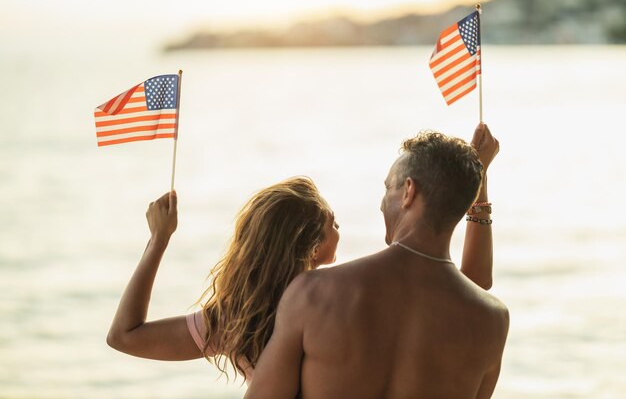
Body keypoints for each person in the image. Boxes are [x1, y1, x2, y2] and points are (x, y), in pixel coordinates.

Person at [106, 123, 499, 386]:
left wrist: (158, 240)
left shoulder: (242, 317)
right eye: (332, 222)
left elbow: (125, 336)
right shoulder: (335, 296)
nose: (340, 227)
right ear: (309, 242)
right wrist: (474, 187)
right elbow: (467, 291)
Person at [244, 123, 508, 399]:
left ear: (408, 191)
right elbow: (468, 290)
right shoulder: (491, 321)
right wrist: (479, 182)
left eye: (388, 188)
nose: (382, 203)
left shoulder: (314, 292)